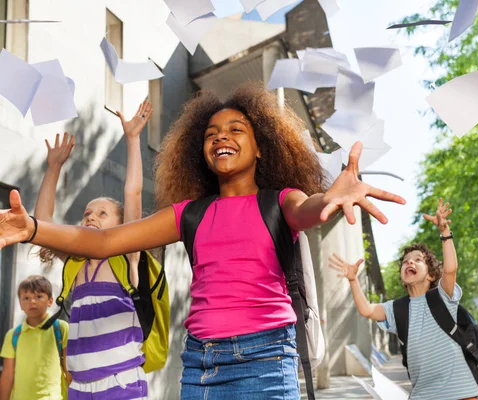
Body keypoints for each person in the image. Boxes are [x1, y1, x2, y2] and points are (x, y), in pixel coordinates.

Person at [0, 83, 405, 399]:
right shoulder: (189, 213)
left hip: (266, 360)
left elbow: (309, 209)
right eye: (211, 133)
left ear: (262, 147)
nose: (220, 137)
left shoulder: (280, 202)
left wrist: (330, 199)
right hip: (200, 363)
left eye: (235, 129)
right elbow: (105, 242)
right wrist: (31, 227)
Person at [32, 101, 153, 399]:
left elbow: (132, 193)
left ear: (121, 224)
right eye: (88, 213)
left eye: (101, 214)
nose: (90, 217)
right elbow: (42, 224)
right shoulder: (75, 261)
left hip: (121, 383)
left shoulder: (126, 255)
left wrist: (134, 139)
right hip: (80, 387)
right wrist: (54, 167)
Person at [328, 198, 478, 400]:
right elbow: (366, 309)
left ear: (431, 275)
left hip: (460, 392)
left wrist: (445, 233)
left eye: (418, 260)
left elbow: (451, 269)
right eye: (406, 261)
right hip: (423, 395)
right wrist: (353, 279)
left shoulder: (443, 295)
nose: (410, 262)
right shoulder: (396, 308)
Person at [0, 275, 69, 400]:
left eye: (38, 297)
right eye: (26, 298)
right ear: (20, 304)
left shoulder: (61, 328)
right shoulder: (13, 335)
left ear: (50, 301)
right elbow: (7, 375)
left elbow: (69, 369)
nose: (32, 302)